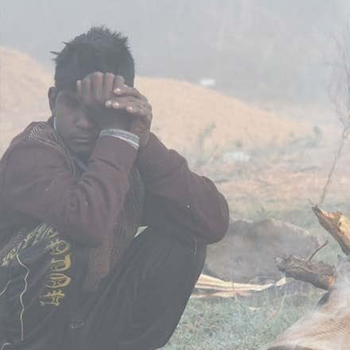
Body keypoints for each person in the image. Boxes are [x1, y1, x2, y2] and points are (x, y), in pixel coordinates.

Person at [0, 27, 229, 349]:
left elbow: (211, 222)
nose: (84, 122)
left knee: (185, 242)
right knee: (64, 237)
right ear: (52, 101)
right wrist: (117, 137)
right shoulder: (32, 152)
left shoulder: (121, 149)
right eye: (73, 105)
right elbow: (85, 225)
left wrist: (143, 141)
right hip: (20, 326)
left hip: (86, 317)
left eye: (98, 112)